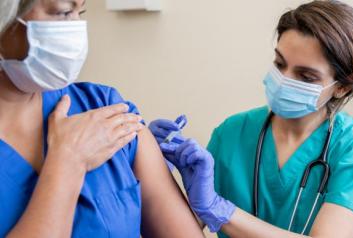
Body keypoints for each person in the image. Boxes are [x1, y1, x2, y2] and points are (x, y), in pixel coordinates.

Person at [149, 1, 353, 237]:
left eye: (306, 77)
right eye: (280, 64)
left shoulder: (350, 147)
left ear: (342, 87)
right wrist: (152, 169)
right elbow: (180, 229)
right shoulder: (232, 133)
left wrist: (219, 210)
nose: (283, 79)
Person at [0, 0, 205, 237]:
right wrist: (67, 163)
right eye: (64, 12)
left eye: (81, 11)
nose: (76, 29)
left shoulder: (102, 105)